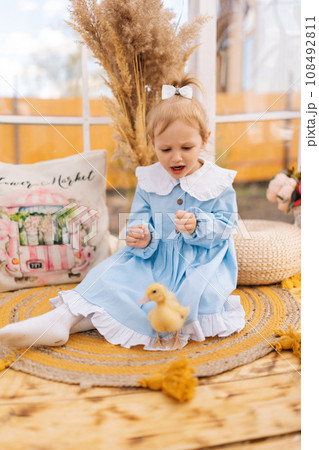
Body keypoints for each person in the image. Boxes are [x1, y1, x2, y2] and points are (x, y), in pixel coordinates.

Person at [0, 75, 246, 351]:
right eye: (165, 149)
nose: (176, 158)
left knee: (176, 301)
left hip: (197, 263)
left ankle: (66, 323)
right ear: (152, 142)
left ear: (204, 140)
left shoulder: (218, 182)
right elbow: (140, 219)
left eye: (186, 148)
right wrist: (141, 235)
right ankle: (58, 321)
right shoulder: (150, 179)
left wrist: (198, 224)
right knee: (110, 277)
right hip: (153, 256)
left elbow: (227, 225)